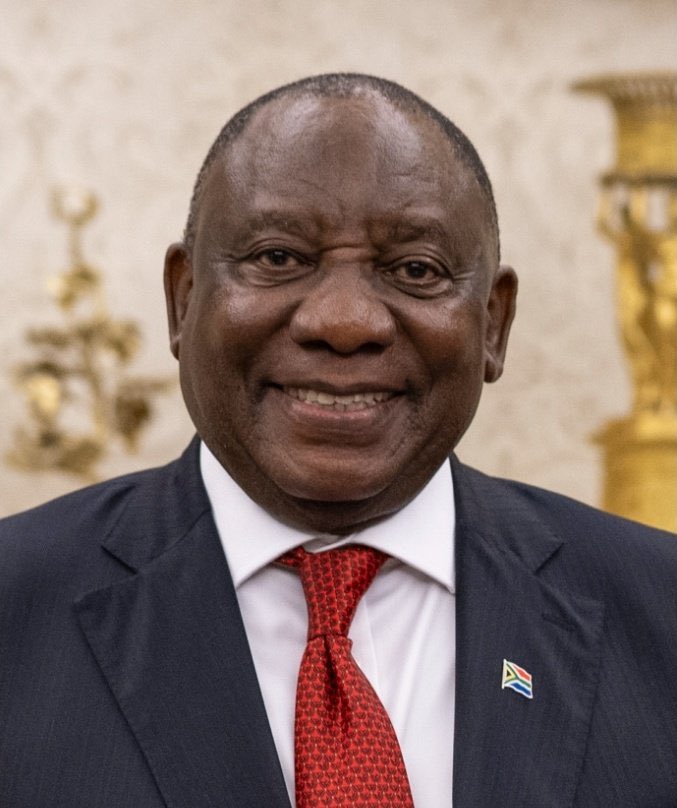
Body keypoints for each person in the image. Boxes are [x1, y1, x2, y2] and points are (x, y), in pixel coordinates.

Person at [0, 74, 675, 808]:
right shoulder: (16, 610)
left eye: (415, 270)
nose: (346, 321)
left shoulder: (657, 610)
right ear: (182, 297)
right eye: (278, 258)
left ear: (493, 324)